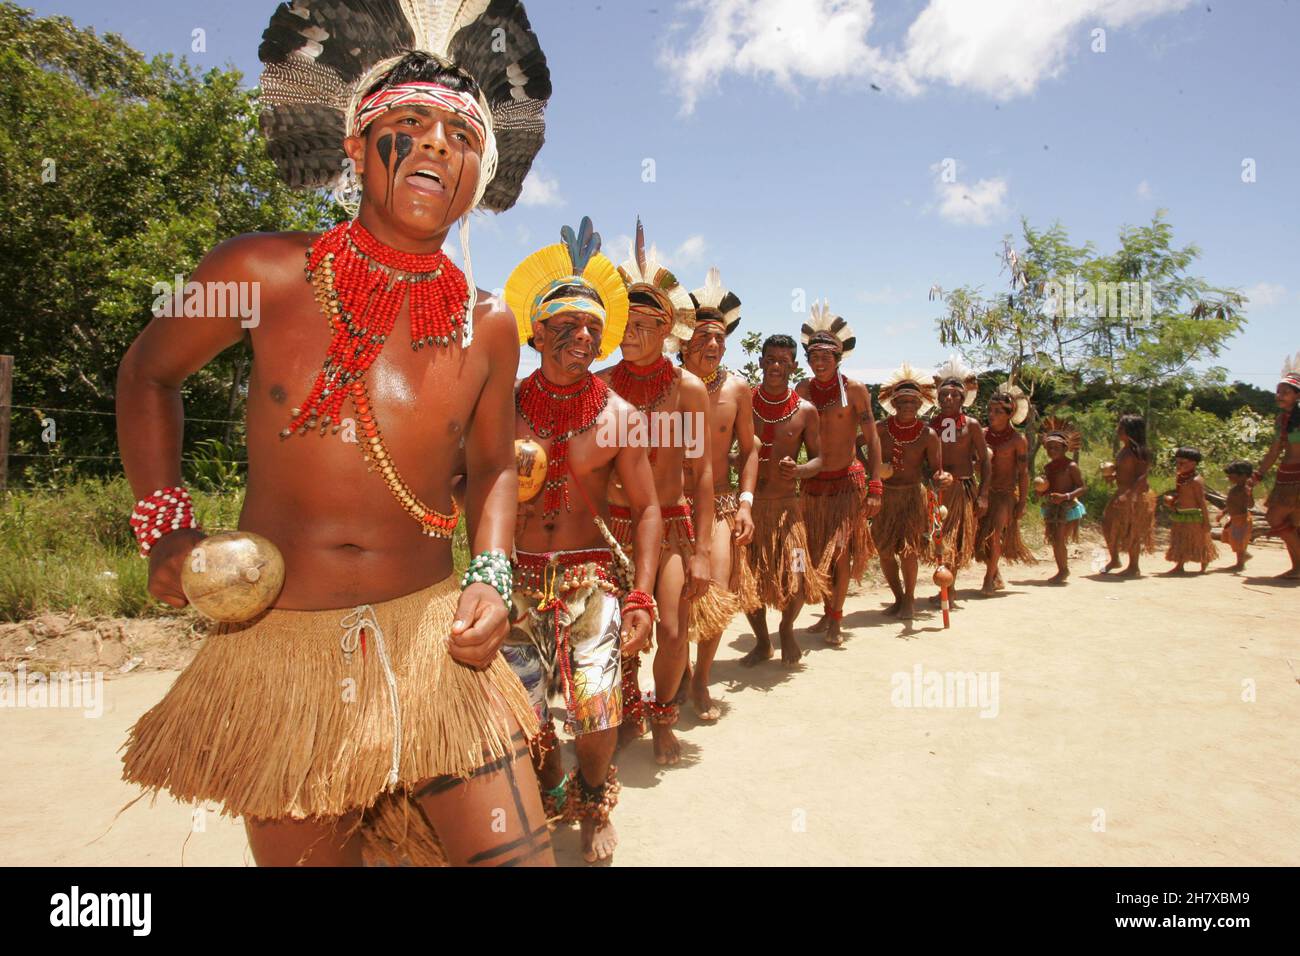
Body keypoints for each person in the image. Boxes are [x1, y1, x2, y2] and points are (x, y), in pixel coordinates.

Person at [119, 5, 557, 867]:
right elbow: (147, 374)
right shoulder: (263, 272)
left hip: (438, 648)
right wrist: (164, 525)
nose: (437, 145)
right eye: (409, 123)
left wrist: (495, 574)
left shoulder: (490, 324)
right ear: (356, 146)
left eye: (462, 135)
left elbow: (494, 463)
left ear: (481, 172)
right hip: (281, 647)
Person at [502, 217, 662, 862]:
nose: (582, 336)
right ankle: (551, 789)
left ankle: (595, 800)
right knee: (528, 713)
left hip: (591, 576)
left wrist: (643, 597)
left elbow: (648, 511)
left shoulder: (619, 417)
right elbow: (467, 488)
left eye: (594, 327)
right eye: (566, 324)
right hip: (518, 575)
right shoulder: (503, 407)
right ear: (535, 330)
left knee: (596, 706)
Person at [597, 220, 714, 765]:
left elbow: (704, 472)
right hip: (610, 526)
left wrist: (704, 548)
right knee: (614, 627)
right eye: (627, 321)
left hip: (668, 524)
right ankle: (625, 710)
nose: (633, 332)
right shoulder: (601, 386)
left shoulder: (687, 389)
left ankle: (664, 714)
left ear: (667, 330)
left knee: (670, 628)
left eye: (646, 324)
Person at [679, 267, 758, 719]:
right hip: (673, 505)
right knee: (672, 599)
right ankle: (674, 677)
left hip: (723, 506)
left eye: (719, 338)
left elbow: (751, 450)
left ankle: (702, 680)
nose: (712, 345)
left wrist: (746, 503)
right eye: (704, 336)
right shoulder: (666, 387)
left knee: (717, 596)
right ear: (685, 340)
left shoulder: (737, 390)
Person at [796, 301, 883, 645]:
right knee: (817, 552)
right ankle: (827, 610)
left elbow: (873, 440)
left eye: (826, 357)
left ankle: (835, 619)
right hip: (815, 485)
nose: (820, 362)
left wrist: (876, 486)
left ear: (838, 358)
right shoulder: (802, 392)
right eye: (814, 357)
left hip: (848, 483)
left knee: (842, 551)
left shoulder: (857, 391)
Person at [741, 334, 830, 665]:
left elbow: (820, 459)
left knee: (797, 571)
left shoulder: (806, 412)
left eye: (783, 361)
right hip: (752, 510)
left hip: (787, 512)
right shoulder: (744, 402)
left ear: (793, 365)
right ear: (762, 361)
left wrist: (800, 469)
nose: (776, 366)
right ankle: (763, 642)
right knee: (749, 579)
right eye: (770, 359)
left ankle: (787, 628)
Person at [874, 364, 949, 620]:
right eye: (903, 401)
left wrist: (940, 479)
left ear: (921, 404)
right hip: (885, 496)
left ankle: (909, 600)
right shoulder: (880, 429)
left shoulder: (928, 435)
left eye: (913, 401)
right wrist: (871, 469)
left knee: (908, 551)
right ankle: (897, 597)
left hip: (912, 496)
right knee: (884, 551)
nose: (908, 405)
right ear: (893, 403)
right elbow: (855, 446)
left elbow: (935, 470)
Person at [927, 356, 988, 606]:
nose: (948, 399)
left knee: (954, 538)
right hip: (939, 490)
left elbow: (985, 460)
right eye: (944, 395)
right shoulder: (932, 425)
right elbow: (925, 460)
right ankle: (947, 585)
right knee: (941, 537)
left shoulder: (972, 426)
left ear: (963, 399)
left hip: (962, 489)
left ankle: (949, 589)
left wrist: (983, 494)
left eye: (954, 395)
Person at [976, 383, 1036, 592]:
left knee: (994, 536)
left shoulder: (1017, 440)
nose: (991, 414)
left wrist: (1022, 503)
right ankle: (995, 572)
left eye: (998, 411)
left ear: (1009, 414)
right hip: (983, 493)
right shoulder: (981, 434)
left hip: (1004, 494)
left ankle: (988, 579)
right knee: (981, 537)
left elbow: (1023, 473)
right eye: (990, 410)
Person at [1246, 352, 1300, 578]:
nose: (1279, 395)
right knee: (1288, 521)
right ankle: (1297, 567)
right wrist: (1258, 474)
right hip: (1286, 475)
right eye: (1278, 391)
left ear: (1297, 395)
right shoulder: (1281, 420)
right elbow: (1274, 450)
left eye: (1285, 392)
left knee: (1277, 518)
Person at [1101, 414, 1157, 577]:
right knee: (1107, 524)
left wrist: (1129, 495)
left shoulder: (1139, 452)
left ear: (1129, 431)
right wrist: (1112, 476)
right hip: (1122, 492)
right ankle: (1115, 559)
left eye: (1121, 427)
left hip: (1136, 495)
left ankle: (1134, 566)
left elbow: (1142, 476)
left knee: (1133, 530)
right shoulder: (1124, 449)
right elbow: (1124, 471)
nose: (1117, 430)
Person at [1036, 416, 1086, 583]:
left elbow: (1082, 487)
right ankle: (1062, 569)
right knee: (1056, 540)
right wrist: (1043, 492)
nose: (1052, 451)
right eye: (1049, 448)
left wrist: (1066, 496)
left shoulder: (1071, 466)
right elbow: (1049, 487)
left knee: (1058, 539)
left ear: (1065, 448)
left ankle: (1063, 571)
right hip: (1053, 507)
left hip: (1068, 507)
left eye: (1056, 447)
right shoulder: (1048, 468)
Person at [1163, 447, 1218, 574]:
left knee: (1199, 540)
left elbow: (1202, 502)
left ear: (1193, 463)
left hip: (1193, 515)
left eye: (1182, 463)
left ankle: (1204, 563)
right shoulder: (1181, 478)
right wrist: (1172, 503)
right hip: (1180, 513)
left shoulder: (1196, 481)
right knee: (1180, 539)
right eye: (1177, 462)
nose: (1178, 465)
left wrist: (1206, 521)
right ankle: (1179, 565)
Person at [1219, 460, 1255, 572]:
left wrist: (1249, 495)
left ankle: (1240, 564)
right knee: (1231, 538)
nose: (1229, 477)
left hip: (1242, 519)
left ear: (1243, 475)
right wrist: (1223, 512)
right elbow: (1231, 504)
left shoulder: (1245, 489)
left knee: (1239, 540)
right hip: (1234, 519)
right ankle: (1243, 556)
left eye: (1231, 474)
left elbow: (1250, 504)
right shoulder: (1234, 489)